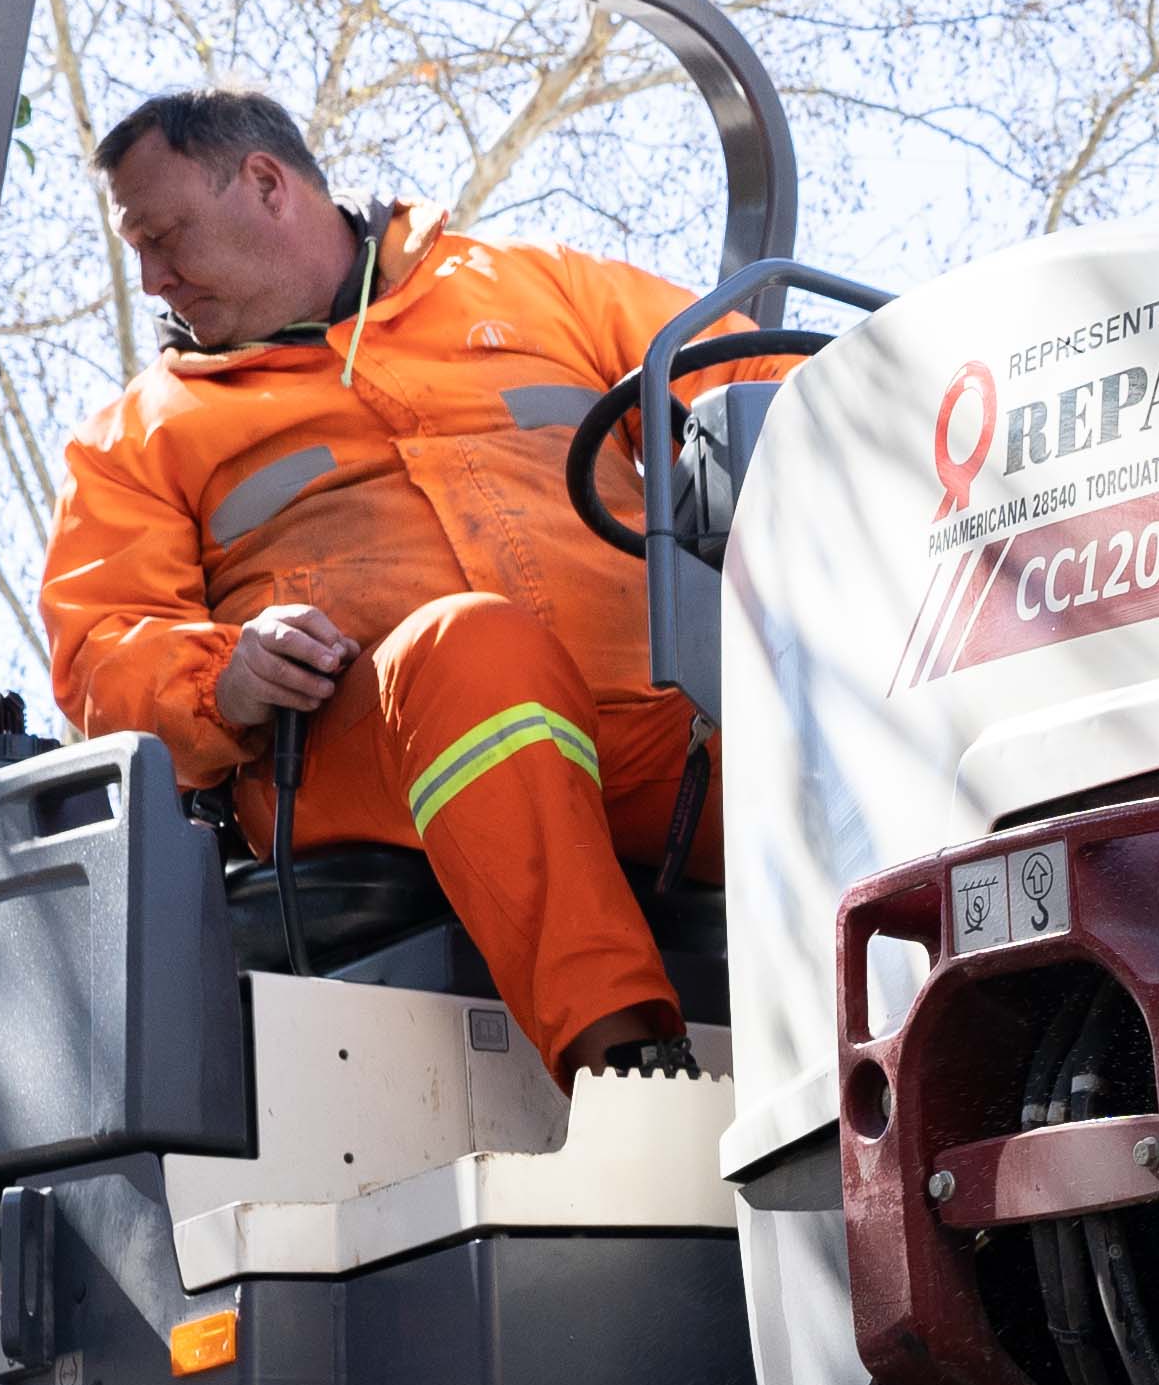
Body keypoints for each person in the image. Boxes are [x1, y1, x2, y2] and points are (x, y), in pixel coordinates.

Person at [40, 85, 710, 1080]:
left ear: (265, 183)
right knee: (473, 650)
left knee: (839, 712)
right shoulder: (138, 438)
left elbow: (767, 380)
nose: (149, 278)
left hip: (657, 732)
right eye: (138, 246)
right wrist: (224, 674)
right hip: (363, 756)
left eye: (164, 235)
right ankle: (629, 1072)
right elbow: (100, 651)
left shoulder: (541, 290)